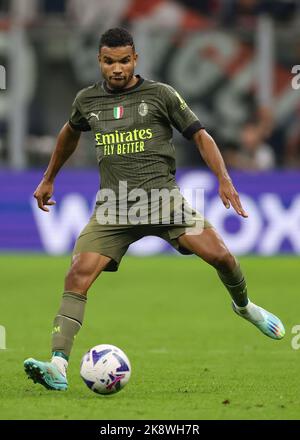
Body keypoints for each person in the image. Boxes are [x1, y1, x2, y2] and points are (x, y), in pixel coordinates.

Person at [24, 28, 285, 391]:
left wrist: (224, 179)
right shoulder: (87, 101)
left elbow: (200, 135)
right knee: (77, 274)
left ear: (136, 59)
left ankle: (244, 307)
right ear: (100, 61)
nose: (117, 69)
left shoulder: (161, 95)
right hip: (114, 207)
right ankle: (57, 365)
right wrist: (49, 177)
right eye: (109, 61)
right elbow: (69, 133)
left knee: (223, 256)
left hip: (163, 200)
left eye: (124, 60)